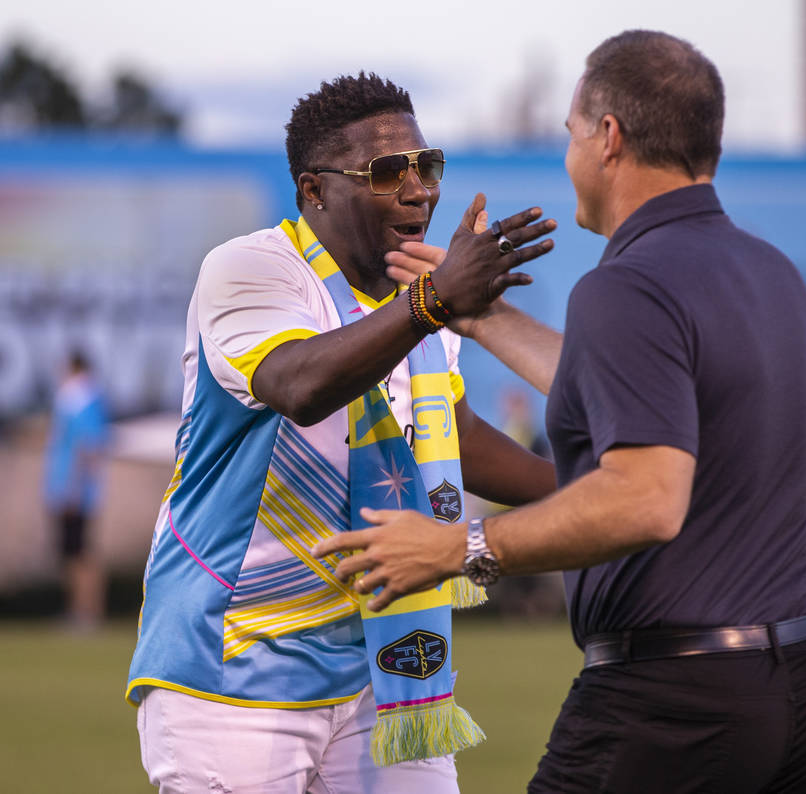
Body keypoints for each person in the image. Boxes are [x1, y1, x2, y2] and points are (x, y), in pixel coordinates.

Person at [313, 30, 806, 793]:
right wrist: (481, 316)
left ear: (608, 139)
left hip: (677, 698)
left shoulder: (624, 286)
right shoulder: (769, 272)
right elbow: (630, 390)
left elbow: (645, 498)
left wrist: (455, 549)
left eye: (571, 132)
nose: (569, 152)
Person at [125, 72, 556, 793]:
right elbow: (301, 385)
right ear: (314, 190)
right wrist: (434, 299)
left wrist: (590, 492)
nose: (418, 189)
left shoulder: (413, 297)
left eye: (429, 165)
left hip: (384, 665)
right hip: (236, 660)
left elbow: (450, 432)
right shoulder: (251, 269)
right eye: (388, 171)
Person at [43, 349, 108, 629]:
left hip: (75, 491)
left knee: (80, 554)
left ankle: (87, 612)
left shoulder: (81, 399)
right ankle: (79, 610)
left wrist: (74, 489)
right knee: (73, 553)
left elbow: (87, 448)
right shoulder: (78, 399)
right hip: (69, 489)